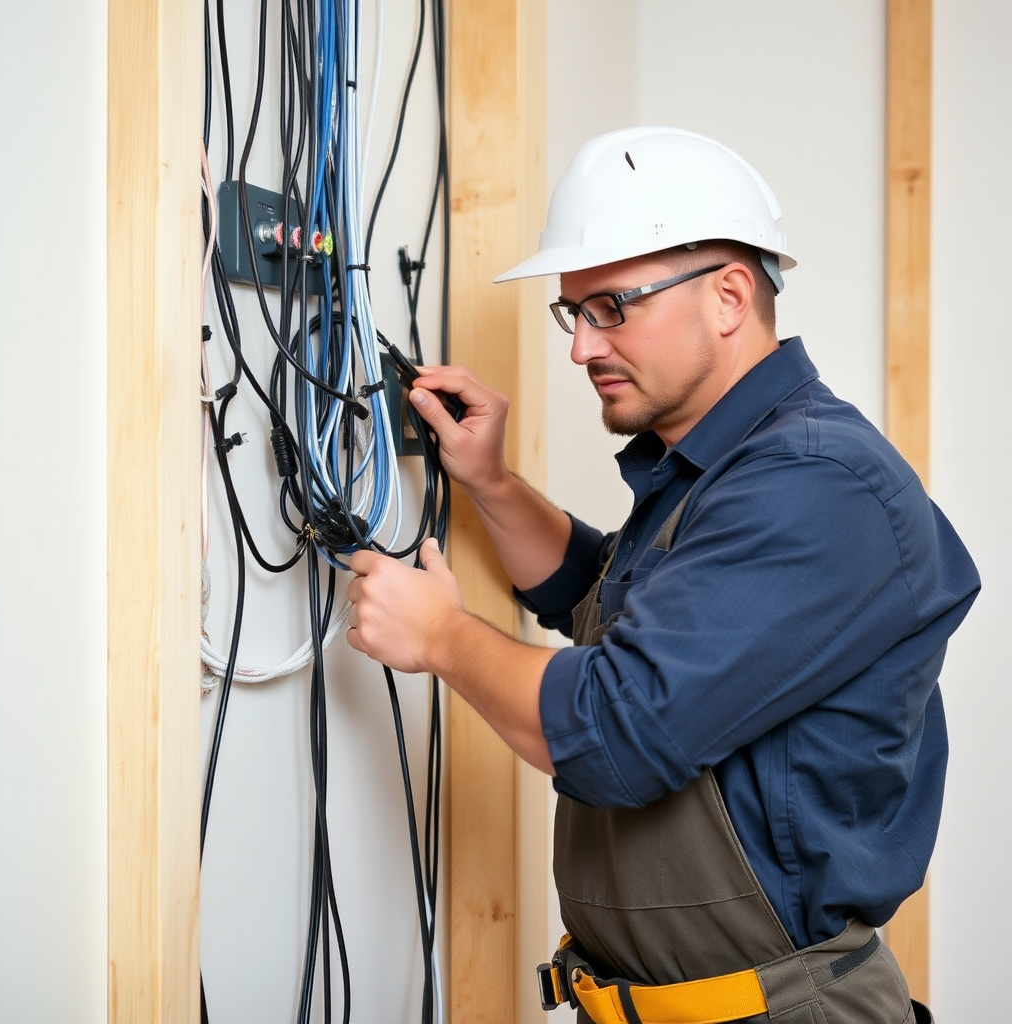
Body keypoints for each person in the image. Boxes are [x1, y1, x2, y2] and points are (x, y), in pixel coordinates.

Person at [345, 126, 980, 1024]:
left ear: (729, 296)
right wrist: (487, 481)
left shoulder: (814, 483)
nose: (582, 348)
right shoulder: (724, 466)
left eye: (613, 306)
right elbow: (606, 599)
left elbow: (614, 730)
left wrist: (442, 636)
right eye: (575, 313)